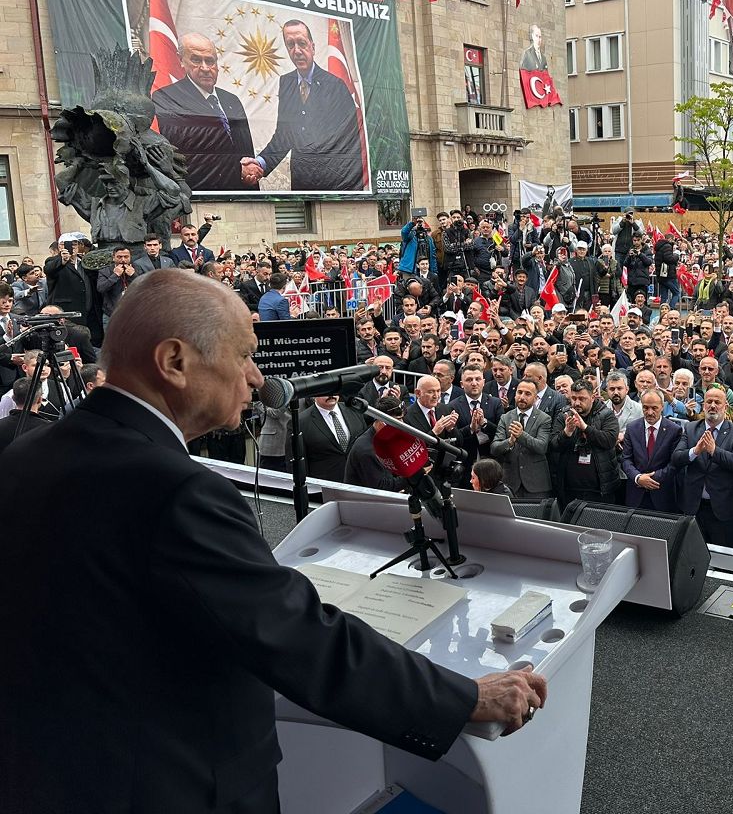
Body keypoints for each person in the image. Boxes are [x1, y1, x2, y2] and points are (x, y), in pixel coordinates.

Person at [0, 270, 545, 814]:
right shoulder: (178, 493)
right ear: (174, 362)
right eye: (243, 356)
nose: (256, 378)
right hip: (170, 783)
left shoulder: (28, 454)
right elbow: (303, 639)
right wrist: (466, 696)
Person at [243, 20, 364, 192]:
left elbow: (349, 141)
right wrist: (259, 164)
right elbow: (284, 135)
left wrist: (349, 190)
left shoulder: (335, 86)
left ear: (312, 47)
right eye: (290, 45)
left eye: (301, 43)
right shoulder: (286, 83)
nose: (297, 51)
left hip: (334, 185)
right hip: (302, 184)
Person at [152, 33, 258, 192]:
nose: (205, 68)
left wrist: (252, 169)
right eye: (196, 60)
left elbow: (246, 151)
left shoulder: (231, 100)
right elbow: (184, 157)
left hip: (244, 196)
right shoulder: (166, 98)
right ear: (181, 60)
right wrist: (238, 171)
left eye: (210, 61)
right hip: (202, 198)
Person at [670, 386, 733, 547]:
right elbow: (677, 458)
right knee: (692, 554)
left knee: (725, 561)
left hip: (724, 510)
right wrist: (695, 451)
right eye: (709, 402)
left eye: (717, 402)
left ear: (725, 406)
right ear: (703, 405)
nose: (713, 405)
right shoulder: (691, 428)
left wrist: (714, 451)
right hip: (694, 507)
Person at [553, 380, 621, 507]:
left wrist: (585, 428)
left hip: (600, 488)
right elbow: (554, 445)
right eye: (573, 398)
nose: (577, 402)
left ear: (593, 397)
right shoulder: (564, 415)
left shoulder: (607, 414)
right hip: (569, 488)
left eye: (582, 398)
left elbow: (609, 441)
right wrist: (567, 432)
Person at [620, 389, 687, 512]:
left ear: (662, 406)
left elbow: (675, 464)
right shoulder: (632, 428)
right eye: (645, 407)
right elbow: (626, 459)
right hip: (636, 495)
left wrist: (652, 478)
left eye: (654, 408)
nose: (649, 412)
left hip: (662, 495)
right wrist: (638, 478)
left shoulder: (674, 430)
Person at [490, 378, 553, 500]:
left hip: (536, 484)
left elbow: (542, 446)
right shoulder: (505, 417)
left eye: (528, 394)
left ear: (536, 398)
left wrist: (521, 435)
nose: (522, 397)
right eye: (519, 392)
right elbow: (494, 448)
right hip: (510, 483)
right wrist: (509, 442)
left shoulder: (544, 419)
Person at [295, 393, 368, 483]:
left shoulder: (354, 410)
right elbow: (297, 464)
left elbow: (365, 445)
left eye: (334, 389)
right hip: (325, 487)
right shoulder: (300, 422)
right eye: (325, 390)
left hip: (359, 481)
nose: (331, 394)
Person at [343, 394, 408, 492]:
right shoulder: (366, 450)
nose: (402, 424)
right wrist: (412, 476)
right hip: (362, 503)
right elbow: (381, 487)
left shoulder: (385, 439)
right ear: (383, 422)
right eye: (398, 421)